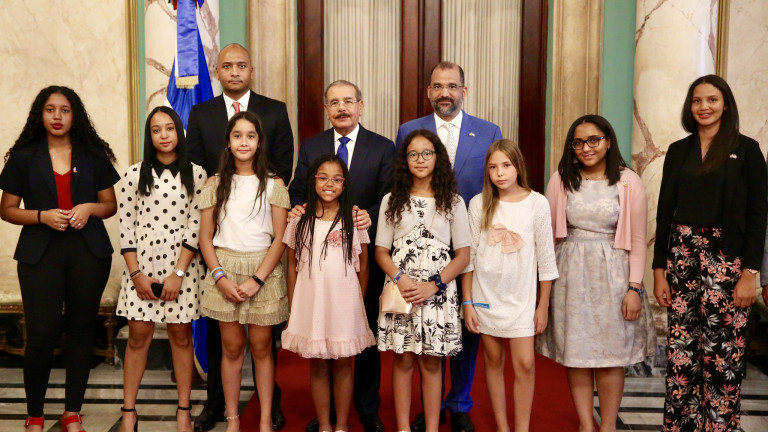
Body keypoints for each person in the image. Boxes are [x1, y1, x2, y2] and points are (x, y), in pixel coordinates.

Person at [187, 42, 294, 431]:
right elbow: (205, 234)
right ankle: (230, 416)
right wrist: (218, 275)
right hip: (224, 268)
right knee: (229, 348)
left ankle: (265, 416)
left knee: (264, 347)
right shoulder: (213, 181)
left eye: (241, 65)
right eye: (227, 65)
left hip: (262, 269)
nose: (244, 142)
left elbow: (281, 236)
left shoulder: (274, 178)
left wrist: (258, 278)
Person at [0, 86, 120, 432]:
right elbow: (7, 210)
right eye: (50, 109)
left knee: (82, 331)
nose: (57, 116)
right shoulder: (24, 156)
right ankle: (34, 415)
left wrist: (88, 209)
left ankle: (72, 413)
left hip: (88, 252)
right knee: (41, 334)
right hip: (41, 254)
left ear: (74, 115)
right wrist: (41, 216)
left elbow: (109, 206)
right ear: (41, 114)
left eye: (64, 110)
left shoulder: (93, 154)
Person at [652, 75, 767, 432]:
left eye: (712, 100)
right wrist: (659, 270)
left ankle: (718, 426)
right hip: (683, 258)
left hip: (727, 262)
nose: (704, 107)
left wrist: (750, 273)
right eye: (697, 100)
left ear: (726, 105)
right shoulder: (678, 150)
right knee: (682, 354)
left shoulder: (746, 150)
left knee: (723, 356)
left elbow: (757, 215)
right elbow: (664, 212)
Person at [395, 61, 501, 432]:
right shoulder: (409, 131)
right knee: (426, 331)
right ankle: (431, 404)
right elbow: (400, 183)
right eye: (438, 86)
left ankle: (459, 402)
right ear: (428, 92)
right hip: (422, 245)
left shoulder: (488, 132)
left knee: (465, 326)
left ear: (464, 91)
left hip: (470, 246)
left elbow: (496, 186)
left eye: (452, 86)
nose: (445, 93)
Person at [535, 114, 655, 432]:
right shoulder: (561, 179)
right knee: (578, 353)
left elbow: (639, 240)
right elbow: (546, 236)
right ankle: (586, 424)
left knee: (610, 354)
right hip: (570, 274)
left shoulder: (628, 180)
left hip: (614, 275)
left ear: (608, 141)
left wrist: (634, 287)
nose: (586, 147)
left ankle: (608, 426)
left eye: (593, 140)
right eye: (578, 142)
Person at [288, 80, 394, 432]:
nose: (342, 108)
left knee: (361, 341)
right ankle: (325, 415)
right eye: (334, 102)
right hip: (317, 259)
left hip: (362, 253)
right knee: (322, 344)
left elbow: (391, 194)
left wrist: (369, 216)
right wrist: (298, 209)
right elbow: (297, 188)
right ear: (326, 109)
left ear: (361, 106)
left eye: (348, 101)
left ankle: (365, 408)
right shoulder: (312, 146)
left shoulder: (382, 147)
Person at [116, 106, 207, 432]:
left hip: (179, 270)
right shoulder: (133, 174)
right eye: (157, 130)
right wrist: (137, 275)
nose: (164, 135)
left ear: (179, 132)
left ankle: (183, 410)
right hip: (141, 269)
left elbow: (195, 226)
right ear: (149, 136)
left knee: (180, 337)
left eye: (170, 128)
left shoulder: (196, 174)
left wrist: (178, 274)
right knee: (138, 337)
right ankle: (129, 412)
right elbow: (125, 227)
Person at [376, 129, 470, 432]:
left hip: (438, 292)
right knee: (402, 360)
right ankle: (403, 427)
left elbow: (464, 256)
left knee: (432, 362)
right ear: (405, 160)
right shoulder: (392, 200)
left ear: (437, 157)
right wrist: (401, 279)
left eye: (427, 153)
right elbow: (380, 252)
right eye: (413, 154)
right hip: (401, 291)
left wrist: (434, 285)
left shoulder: (453, 201)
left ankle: (431, 428)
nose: (420, 159)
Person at [462, 139, 558, 432]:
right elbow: (470, 258)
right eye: (493, 167)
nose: (499, 173)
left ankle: (521, 428)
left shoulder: (537, 203)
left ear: (518, 166)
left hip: (522, 297)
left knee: (525, 364)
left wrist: (543, 306)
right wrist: (467, 303)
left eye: (506, 165)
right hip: (485, 295)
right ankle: (503, 427)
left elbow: (546, 258)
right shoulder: (479, 203)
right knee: (492, 359)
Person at [282, 154, 376, 432]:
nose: (329, 183)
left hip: (344, 305)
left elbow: (364, 266)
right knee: (319, 365)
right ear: (313, 181)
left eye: (337, 179)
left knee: (344, 366)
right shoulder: (299, 220)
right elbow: (291, 267)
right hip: (312, 302)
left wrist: (355, 304)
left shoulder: (354, 220)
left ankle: (343, 425)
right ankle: (324, 424)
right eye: (323, 177)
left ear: (345, 185)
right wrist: (293, 306)